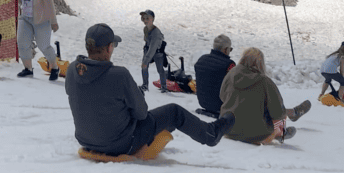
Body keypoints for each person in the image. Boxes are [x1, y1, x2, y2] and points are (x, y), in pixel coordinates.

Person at [64, 23, 234, 157]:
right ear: (109, 48)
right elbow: (141, 114)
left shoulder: (72, 70)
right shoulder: (119, 75)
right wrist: (135, 96)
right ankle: (210, 135)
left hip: (86, 140)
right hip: (121, 144)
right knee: (173, 112)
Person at [219, 47, 311, 144]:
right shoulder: (264, 81)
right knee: (278, 114)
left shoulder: (230, 75)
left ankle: (292, 114)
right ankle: (280, 132)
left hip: (226, 129)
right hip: (255, 135)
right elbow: (278, 113)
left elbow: (222, 96)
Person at [14, 0, 59, 80]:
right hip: (25, 17)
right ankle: (28, 69)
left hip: (41, 19)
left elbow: (49, 3)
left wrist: (53, 21)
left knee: (43, 46)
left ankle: (54, 67)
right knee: (22, 43)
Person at [193, 34, 235, 118]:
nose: (230, 51)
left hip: (203, 102)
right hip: (221, 105)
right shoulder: (229, 64)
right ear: (225, 49)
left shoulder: (201, 59)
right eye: (230, 49)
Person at [138, 9, 168, 92]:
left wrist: (146, 60)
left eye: (147, 18)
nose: (145, 20)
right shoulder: (145, 29)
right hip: (148, 50)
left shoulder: (156, 33)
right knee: (144, 68)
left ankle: (164, 87)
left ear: (153, 19)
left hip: (157, 53)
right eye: (143, 18)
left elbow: (153, 48)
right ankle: (145, 85)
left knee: (160, 69)